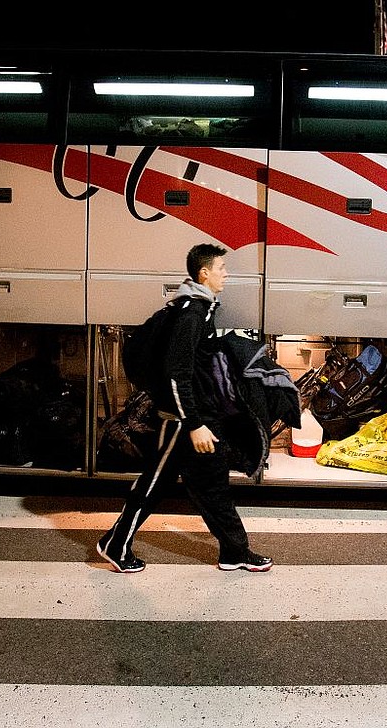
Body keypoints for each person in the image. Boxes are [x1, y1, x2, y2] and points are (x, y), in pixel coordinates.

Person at [97, 243, 274, 574]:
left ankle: (233, 551)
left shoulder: (199, 308)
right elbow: (177, 374)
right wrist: (193, 424)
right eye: (221, 268)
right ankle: (115, 545)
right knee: (160, 486)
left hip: (193, 420)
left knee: (206, 484)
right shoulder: (192, 314)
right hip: (182, 423)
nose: (226, 273)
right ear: (204, 273)